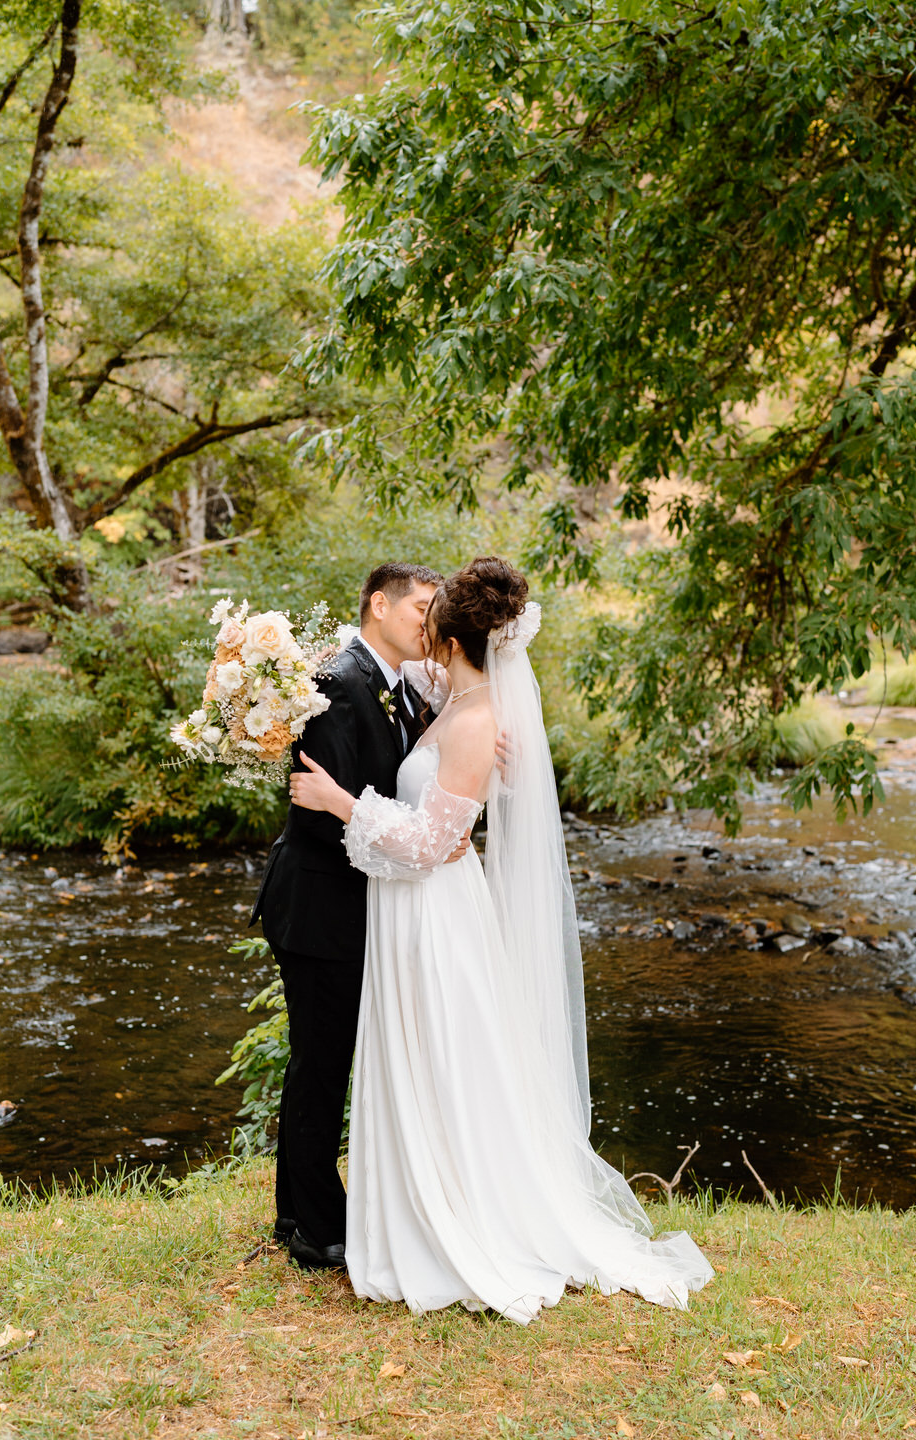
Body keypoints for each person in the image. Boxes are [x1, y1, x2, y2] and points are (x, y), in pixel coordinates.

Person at [289, 556, 714, 1322]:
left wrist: (339, 801)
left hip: (433, 912)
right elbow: (393, 707)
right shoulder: (451, 698)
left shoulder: (478, 717)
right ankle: (404, 1209)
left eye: (432, 619)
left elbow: (430, 845)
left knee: (446, 1058)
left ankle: (453, 1215)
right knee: (426, 1058)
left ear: (451, 640)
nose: (422, 629)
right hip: (411, 911)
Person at [249, 561, 453, 1269]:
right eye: (421, 608)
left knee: (324, 1057)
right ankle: (313, 1228)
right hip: (319, 906)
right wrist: (413, 846)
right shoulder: (339, 683)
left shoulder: (395, 686)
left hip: (351, 904)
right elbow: (319, 819)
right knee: (322, 1063)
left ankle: (294, 1211)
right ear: (378, 605)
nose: (430, 623)